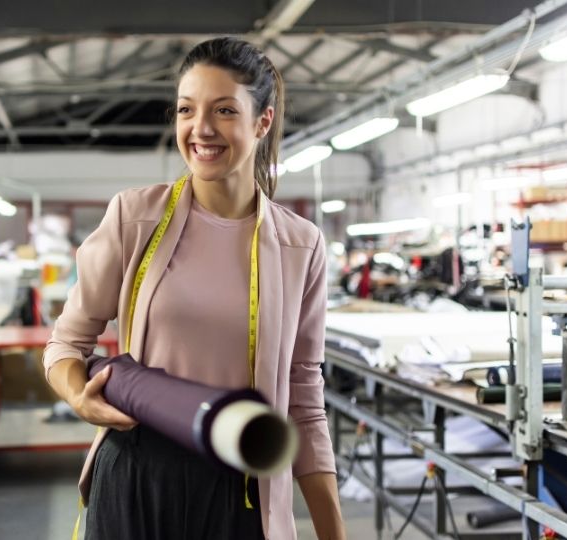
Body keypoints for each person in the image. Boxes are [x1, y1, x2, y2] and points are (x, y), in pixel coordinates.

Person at [43, 36, 345, 540]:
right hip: (138, 477)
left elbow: (304, 399)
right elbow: (65, 344)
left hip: (242, 492)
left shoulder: (299, 245)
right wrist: (80, 397)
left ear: (262, 121)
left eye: (224, 110)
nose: (200, 129)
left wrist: (333, 532)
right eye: (187, 110)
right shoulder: (135, 217)